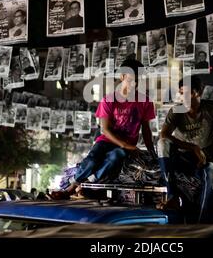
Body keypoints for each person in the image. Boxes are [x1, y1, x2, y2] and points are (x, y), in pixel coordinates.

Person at [57, 60, 156, 199]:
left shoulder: (145, 102)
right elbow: (105, 130)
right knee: (92, 160)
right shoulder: (108, 99)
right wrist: (128, 146)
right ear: (122, 77)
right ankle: (71, 186)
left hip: (125, 146)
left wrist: (152, 152)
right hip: (107, 140)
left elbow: (146, 131)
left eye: (138, 79)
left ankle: (88, 181)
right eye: (132, 79)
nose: (135, 83)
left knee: (117, 155)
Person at [156, 75, 213, 222]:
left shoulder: (211, 108)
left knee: (212, 173)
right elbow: (164, 134)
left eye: (185, 92)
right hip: (182, 158)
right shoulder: (176, 110)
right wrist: (193, 147)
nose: (181, 96)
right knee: (162, 143)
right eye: (180, 92)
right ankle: (172, 197)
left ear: (197, 93)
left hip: (205, 160)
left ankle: (202, 223)